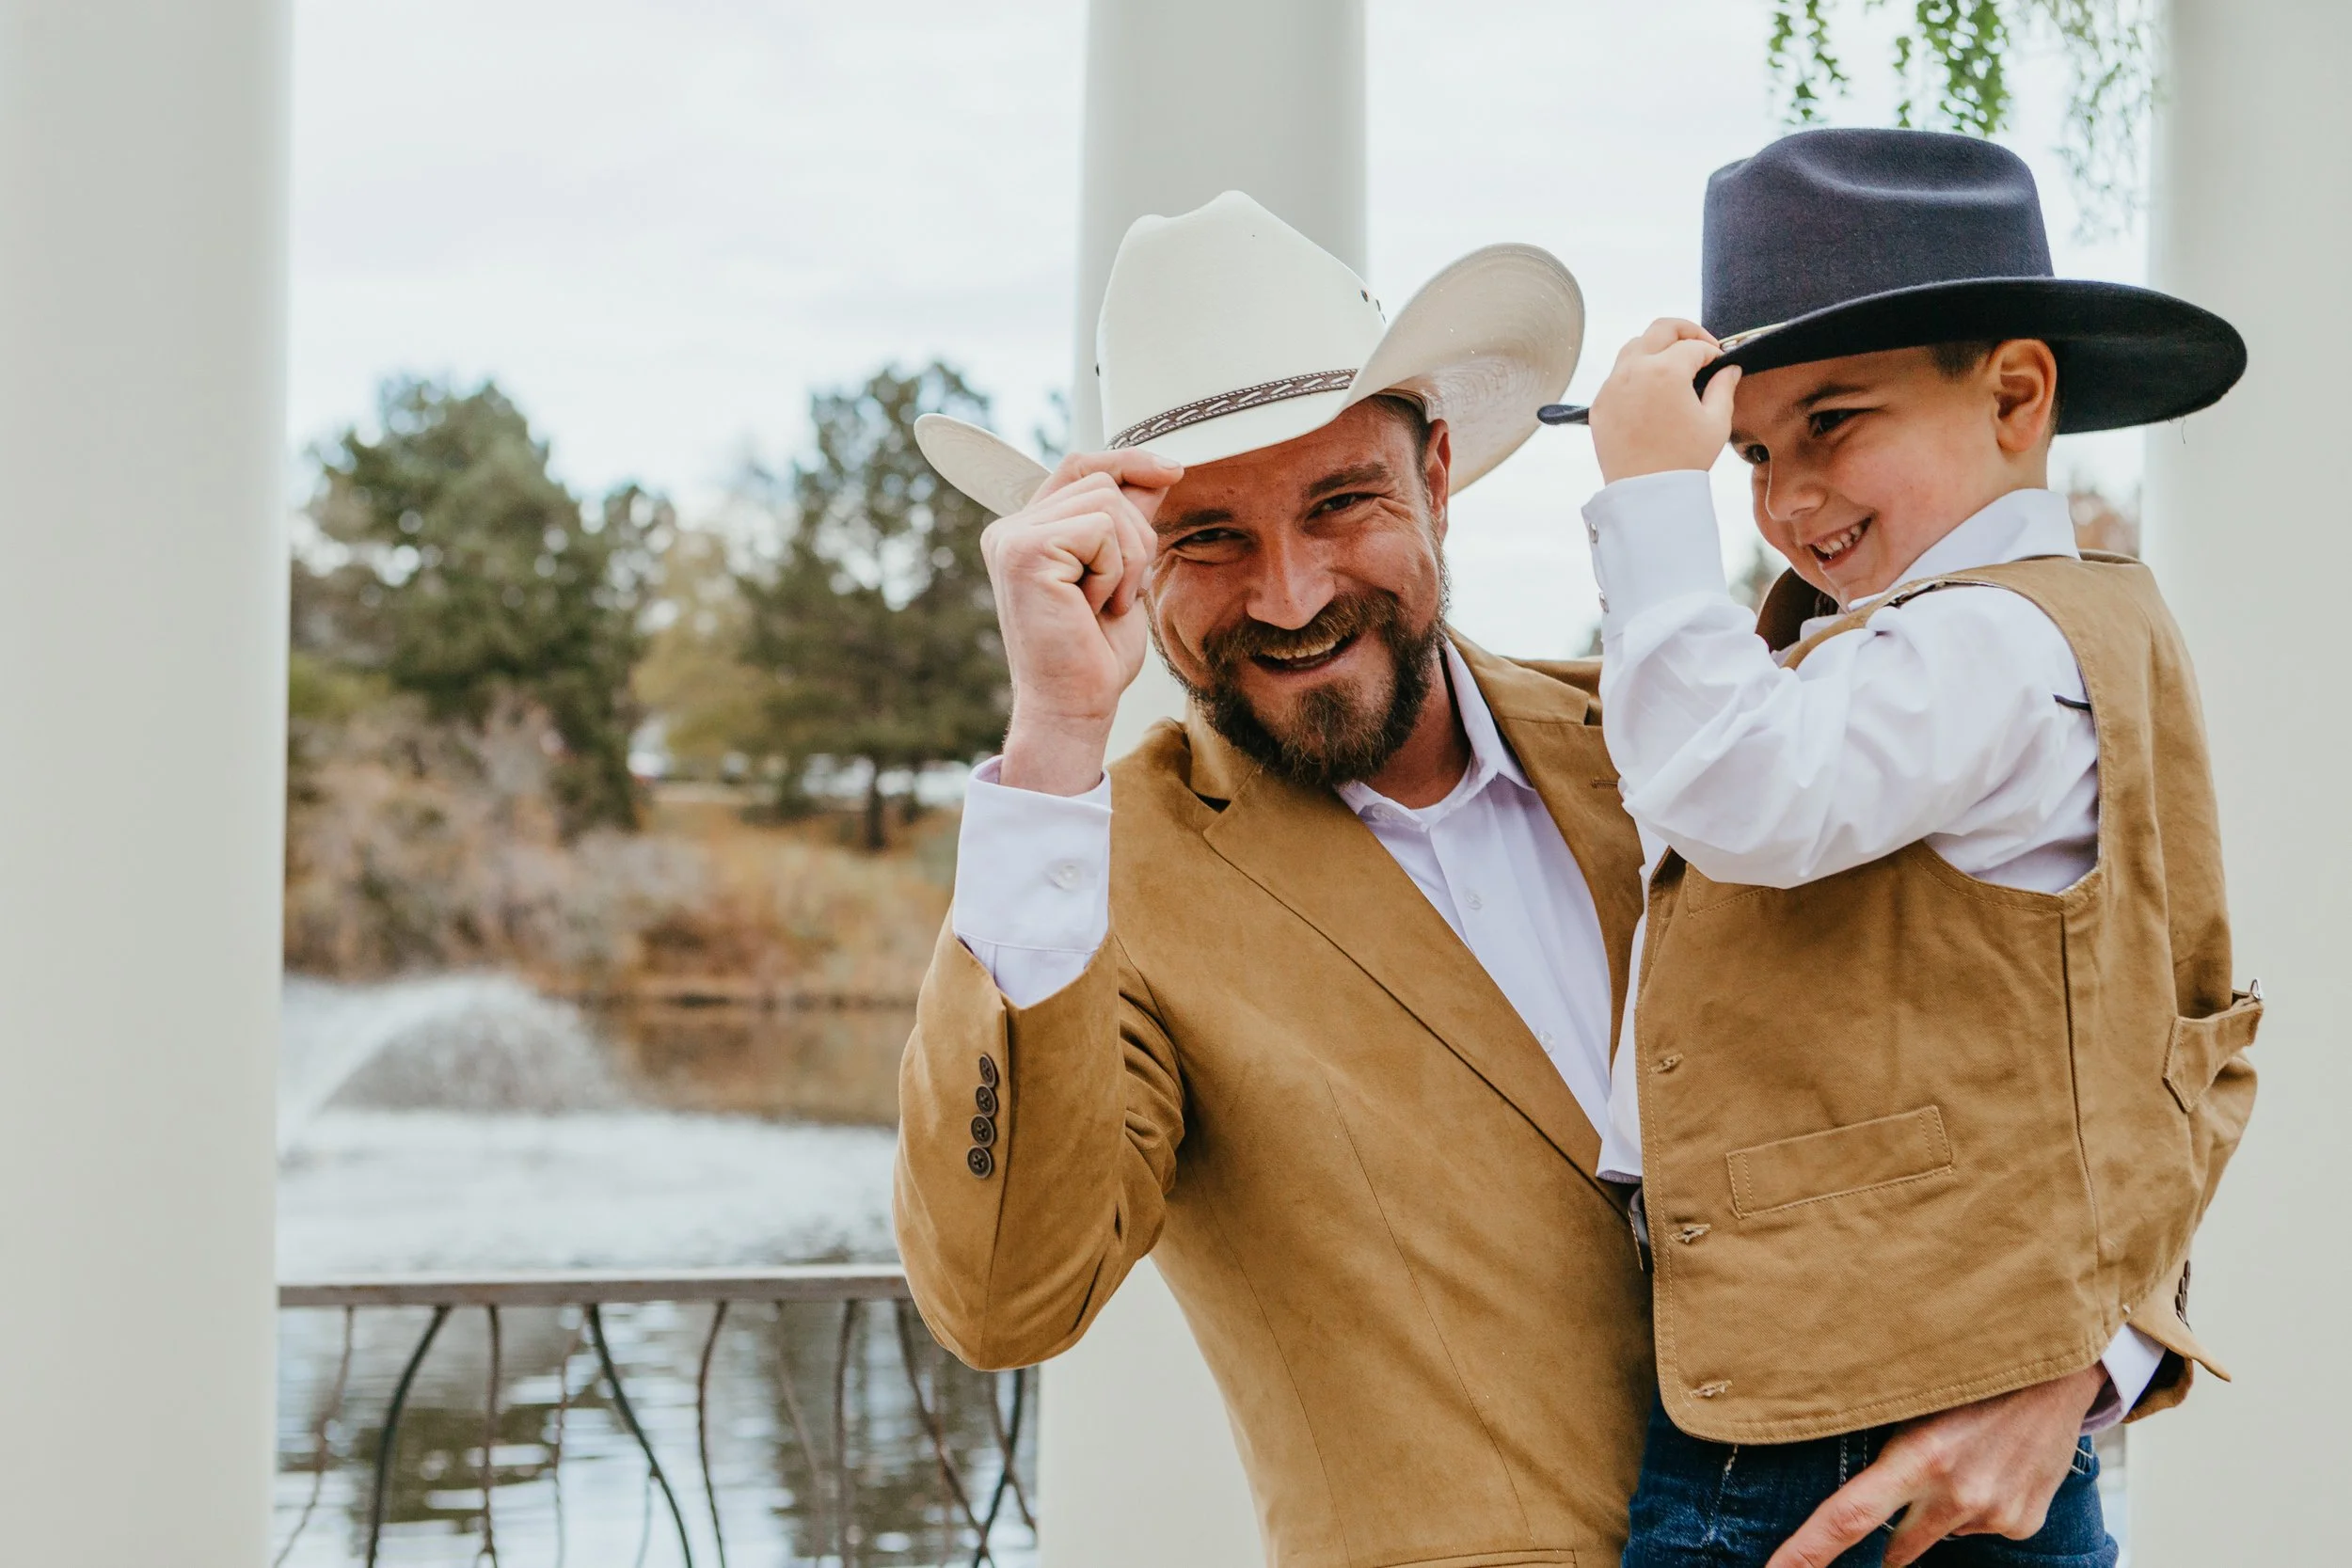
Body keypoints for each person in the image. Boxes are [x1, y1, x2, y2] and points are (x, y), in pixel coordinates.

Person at [897, 188, 2183, 1568]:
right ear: (1137, 564)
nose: (1289, 594)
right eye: (1209, 538)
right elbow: (1004, 1301)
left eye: (1342, 502)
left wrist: (2081, 1363)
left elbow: (2097, 1045)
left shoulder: (1704, 749)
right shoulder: (1093, 875)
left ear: (1438, 476)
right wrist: (1055, 739)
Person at [1574, 129, 2261, 1567]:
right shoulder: (1920, 645)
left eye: (1833, 421)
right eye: (1752, 453)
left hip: (1847, 1431)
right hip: (1837, 1387)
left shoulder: (1997, 637)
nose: (1784, 494)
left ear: (2016, 394)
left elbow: (1745, 790)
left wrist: (1650, 501)